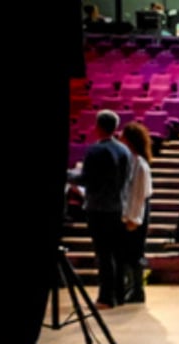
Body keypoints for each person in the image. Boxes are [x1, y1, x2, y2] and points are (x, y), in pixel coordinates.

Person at [67, 109, 132, 309]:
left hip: (99, 208)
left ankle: (105, 297)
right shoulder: (124, 150)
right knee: (116, 253)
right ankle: (119, 295)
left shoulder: (96, 150)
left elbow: (86, 179)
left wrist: (69, 175)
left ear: (98, 126)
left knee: (103, 253)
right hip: (118, 205)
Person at [120, 122, 154, 304]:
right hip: (132, 211)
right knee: (127, 253)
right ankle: (130, 287)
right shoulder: (130, 161)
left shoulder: (140, 164)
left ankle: (137, 290)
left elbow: (138, 194)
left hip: (137, 212)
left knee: (135, 253)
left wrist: (133, 218)